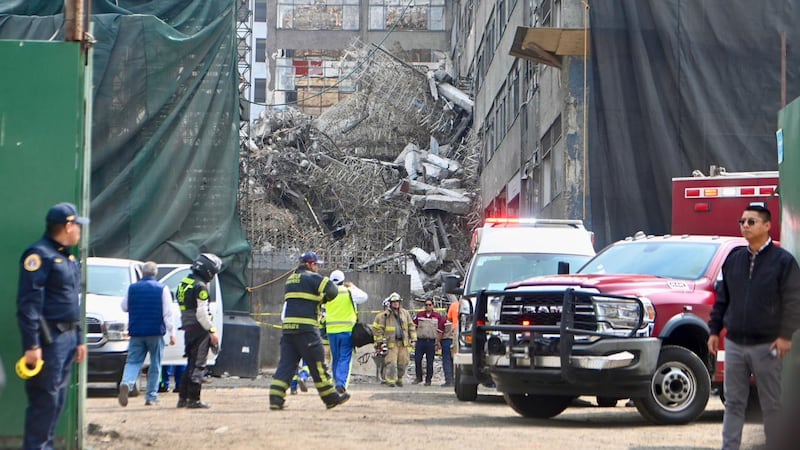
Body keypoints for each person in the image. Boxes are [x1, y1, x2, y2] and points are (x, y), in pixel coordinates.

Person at [707, 205, 800, 450]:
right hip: (736, 344)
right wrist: (714, 330)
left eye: (751, 222)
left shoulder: (783, 262)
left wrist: (785, 335)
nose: (745, 226)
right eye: (742, 221)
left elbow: (794, 301)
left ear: (767, 225)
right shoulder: (734, 260)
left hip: (767, 345)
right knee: (734, 403)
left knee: (771, 404)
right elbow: (723, 298)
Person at [16, 202, 88, 449]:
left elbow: (72, 302)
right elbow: (28, 305)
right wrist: (32, 344)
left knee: (57, 401)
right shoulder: (39, 255)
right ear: (68, 226)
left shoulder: (66, 257)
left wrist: (79, 339)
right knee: (45, 401)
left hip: (67, 339)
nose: (80, 230)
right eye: (77, 225)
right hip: (49, 341)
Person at [269, 251, 350, 410]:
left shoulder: (290, 279)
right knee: (318, 364)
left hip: (288, 331)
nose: (317, 268)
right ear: (309, 264)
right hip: (306, 331)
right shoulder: (312, 278)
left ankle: (275, 398)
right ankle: (331, 398)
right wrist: (322, 299)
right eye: (315, 265)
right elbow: (332, 291)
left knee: (286, 365)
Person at [118, 261, 176, 407]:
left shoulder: (132, 288)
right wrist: (172, 333)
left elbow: (124, 307)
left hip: (136, 332)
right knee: (155, 364)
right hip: (155, 332)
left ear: (142, 273)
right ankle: (151, 397)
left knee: (133, 361)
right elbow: (168, 313)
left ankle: (127, 382)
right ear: (155, 273)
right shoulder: (162, 289)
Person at [176, 253, 223, 409]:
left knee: (190, 362)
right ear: (208, 271)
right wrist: (212, 331)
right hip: (199, 328)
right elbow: (202, 314)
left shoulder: (184, 282)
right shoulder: (200, 287)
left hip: (188, 327)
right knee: (198, 364)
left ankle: (182, 398)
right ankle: (194, 399)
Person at [325, 269, 368, 393]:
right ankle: (341, 383)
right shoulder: (348, 292)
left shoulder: (327, 294)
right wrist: (352, 286)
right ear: (343, 281)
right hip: (347, 332)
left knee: (336, 358)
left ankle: (336, 382)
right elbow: (364, 297)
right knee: (345, 358)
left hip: (331, 332)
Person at [373, 292, 416, 388]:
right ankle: (390, 381)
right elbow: (378, 329)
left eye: (397, 301)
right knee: (391, 363)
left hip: (403, 343)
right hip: (391, 343)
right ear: (390, 303)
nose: (396, 303)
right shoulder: (385, 315)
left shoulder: (405, 313)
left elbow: (411, 326)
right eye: (394, 302)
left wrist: (413, 338)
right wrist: (379, 342)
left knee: (403, 362)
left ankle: (399, 379)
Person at [412, 299, 444, 386]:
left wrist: (438, 342)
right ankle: (418, 378)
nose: (428, 306)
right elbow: (413, 327)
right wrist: (413, 338)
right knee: (417, 360)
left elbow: (440, 330)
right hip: (420, 341)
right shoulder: (419, 315)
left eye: (430, 305)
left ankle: (428, 380)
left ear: (433, 306)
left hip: (431, 342)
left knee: (430, 362)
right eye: (426, 305)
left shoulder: (437, 316)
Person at [440, 298, 458, 387]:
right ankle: (456, 380)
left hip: (446, 341)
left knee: (447, 361)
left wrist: (438, 342)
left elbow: (440, 332)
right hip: (457, 341)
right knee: (456, 361)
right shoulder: (461, 321)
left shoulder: (444, 321)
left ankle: (449, 380)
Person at [372, 299, 391, 383]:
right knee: (380, 361)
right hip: (381, 342)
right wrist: (378, 342)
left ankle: (387, 377)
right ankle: (379, 377)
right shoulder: (379, 317)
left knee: (389, 360)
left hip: (391, 342)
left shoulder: (395, 317)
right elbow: (375, 329)